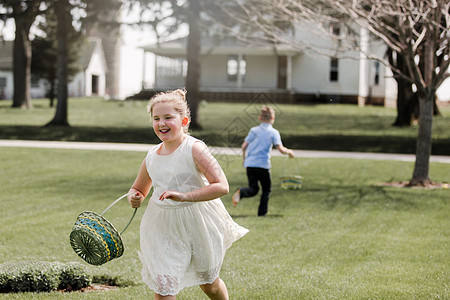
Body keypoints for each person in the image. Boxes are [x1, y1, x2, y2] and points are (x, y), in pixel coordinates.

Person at [127, 89, 248, 300]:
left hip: (197, 221)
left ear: (183, 120)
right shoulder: (152, 156)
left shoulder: (194, 149)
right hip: (161, 225)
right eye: (156, 118)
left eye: (168, 117)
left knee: (209, 284)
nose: (161, 123)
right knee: (164, 287)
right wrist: (134, 197)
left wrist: (186, 196)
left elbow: (222, 186)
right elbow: (139, 189)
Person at [232, 106, 295, 216]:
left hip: (250, 164)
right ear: (273, 118)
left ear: (260, 118)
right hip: (263, 165)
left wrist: (244, 159)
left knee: (254, 188)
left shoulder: (253, 130)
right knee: (266, 190)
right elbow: (280, 149)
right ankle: (262, 213)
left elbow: (243, 146)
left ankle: (241, 192)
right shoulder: (273, 132)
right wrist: (289, 152)